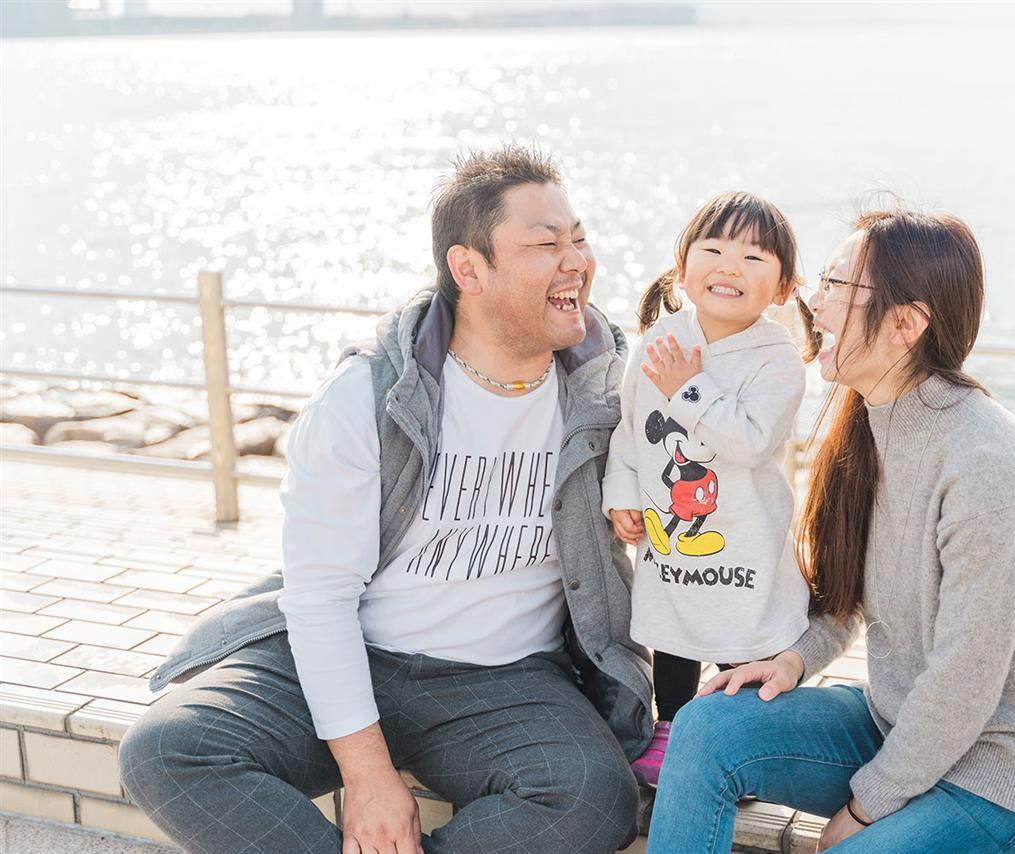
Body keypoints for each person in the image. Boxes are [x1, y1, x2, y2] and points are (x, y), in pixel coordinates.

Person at [118, 145, 652, 854]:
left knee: (594, 798)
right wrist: (367, 777)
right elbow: (320, 596)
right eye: (546, 244)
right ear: (469, 270)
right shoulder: (367, 397)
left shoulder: (611, 390)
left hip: (510, 680)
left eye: (580, 239)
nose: (576, 262)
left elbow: (707, 503)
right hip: (354, 649)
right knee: (166, 752)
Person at [646, 209, 1015, 853]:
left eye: (838, 284)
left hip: (1003, 779)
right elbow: (844, 597)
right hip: (898, 726)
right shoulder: (868, 421)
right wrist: (794, 658)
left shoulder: (987, 468)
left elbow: (963, 683)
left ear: (904, 324)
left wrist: (864, 809)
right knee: (705, 726)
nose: (813, 302)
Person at [601, 191, 821, 785]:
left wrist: (688, 388)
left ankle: (744, 743)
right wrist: (622, 489)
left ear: (783, 287)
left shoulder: (776, 360)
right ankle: (671, 725)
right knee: (674, 632)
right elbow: (630, 427)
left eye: (753, 257)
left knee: (741, 639)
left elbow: (750, 440)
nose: (730, 267)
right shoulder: (661, 340)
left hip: (743, 544)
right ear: (682, 267)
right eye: (715, 250)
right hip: (670, 534)